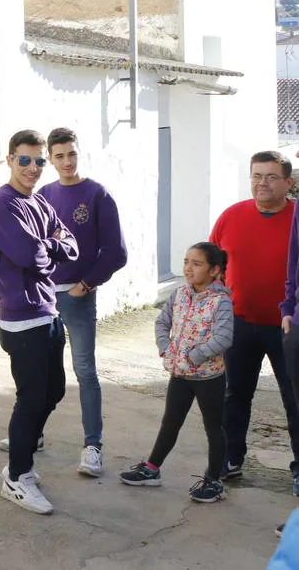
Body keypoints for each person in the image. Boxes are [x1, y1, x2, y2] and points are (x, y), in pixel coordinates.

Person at [0, 129, 79, 515]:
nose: (33, 168)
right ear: (10, 160)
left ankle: (20, 459)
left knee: (53, 391)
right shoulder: (2, 205)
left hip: (48, 312)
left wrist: (48, 244)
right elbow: (29, 255)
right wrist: (48, 245)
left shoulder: (39, 203)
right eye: (24, 160)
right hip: (21, 320)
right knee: (30, 399)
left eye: (39, 161)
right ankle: (16, 476)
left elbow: (69, 247)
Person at [34, 127, 128, 478]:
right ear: (50, 159)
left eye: (71, 154)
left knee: (85, 371)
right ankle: (33, 434)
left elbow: (116, 253)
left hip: (79, 296)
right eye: (59, 156)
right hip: (44, 298)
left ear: (78, 153)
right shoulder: (43, 195)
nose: (67, 162)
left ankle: (93, 447)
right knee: (41, 371)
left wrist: (87, 284)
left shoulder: (97, 194)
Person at [210, 150, 299, 492]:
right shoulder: (231, 216)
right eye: (256, 176)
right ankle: (231, 458)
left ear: (288, 183)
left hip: (288, 327)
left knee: (294, 399)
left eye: (271, 176)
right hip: (240, 323)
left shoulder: (296, 217)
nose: (262, 183)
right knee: (235, 395)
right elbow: (213, 265)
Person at [119, 242, 233, 503]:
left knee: (213, 427)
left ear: (215, 270)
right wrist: (165, 349)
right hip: (180, 376)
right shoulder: (179, 294)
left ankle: (214, 480)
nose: (188, 269)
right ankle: (152, 469)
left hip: (208, 378)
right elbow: (162, 322)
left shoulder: (221, 301)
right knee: (170, 422)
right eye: (186, 262)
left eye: (197, 264)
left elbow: (224, 338)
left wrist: (193, 356)